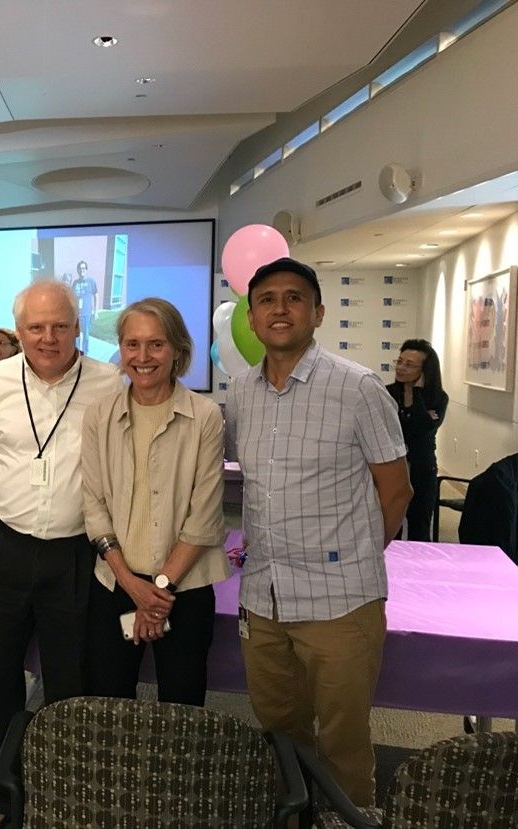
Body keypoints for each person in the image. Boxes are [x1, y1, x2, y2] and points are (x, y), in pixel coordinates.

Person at [224, 257, 411, 807]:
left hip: (341, 601)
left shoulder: (358, 389)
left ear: (318, 312)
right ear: (253, 319)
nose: (279, 308)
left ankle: (348, 819)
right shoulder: (239, 394)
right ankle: (295, 814)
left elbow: (396, 490)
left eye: (294, 297)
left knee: (344, 739)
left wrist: (357, 553)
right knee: (279, 730)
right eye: (266, 300)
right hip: (264, 598)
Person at [0, 280, 121, 829]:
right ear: (20, 330)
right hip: (4, 547)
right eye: (36, 327)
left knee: (72, 681)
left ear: (78, 326)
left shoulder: (109, 383)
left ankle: (65, 797)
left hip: (77, 554)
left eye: (60, 325)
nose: (48, 337)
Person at [81, 298, 228, 703]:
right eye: (132, 344)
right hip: (115, 584)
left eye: (156, 344)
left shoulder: (205, 416)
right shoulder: (99, 414)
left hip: (186, 586)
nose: (142, 357)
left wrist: (157, 592)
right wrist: (133, 586)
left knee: (182, 707)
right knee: (108, 702)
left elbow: (205, 517)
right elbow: (94, 507)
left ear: (178, 350)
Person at [386, 339, 448, 541]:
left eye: (409, 365)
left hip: (423, 467)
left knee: (419, 524)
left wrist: (417, 393)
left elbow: (421, 429)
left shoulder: (438, 398)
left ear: (425, 371)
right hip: (392, 467)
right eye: (400, 361)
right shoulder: (387, 393)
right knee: (390, 527)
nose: (401, 368)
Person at [71, 260, 98, 353]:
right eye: (80, 268)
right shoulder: (75, 283)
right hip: (77, 315)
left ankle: (85, 353)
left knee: (86, 336)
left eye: (83, 268)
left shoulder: (91, 282)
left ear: (86, 270)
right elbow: (72, 297)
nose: (81, 270)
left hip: (87, 314)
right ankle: (78, 352)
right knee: (77, 335)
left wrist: (96, 311)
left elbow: (96, 296)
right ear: (77, 270)